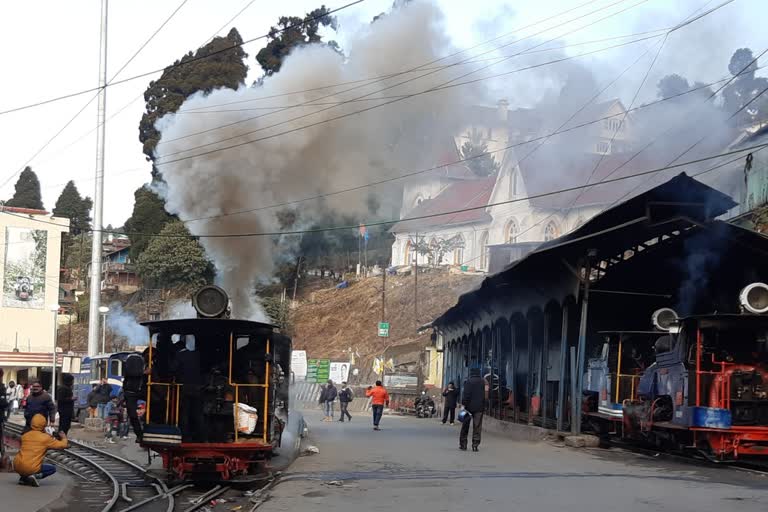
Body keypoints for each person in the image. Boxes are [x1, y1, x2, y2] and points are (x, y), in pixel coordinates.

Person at [14, 413, 68, 487]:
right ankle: (33, 476)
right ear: (44, 424)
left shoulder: (25, 435)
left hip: (17, 465)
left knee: (26, 465)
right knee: (52, 469)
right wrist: (64, 438)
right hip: (30, 467)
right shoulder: (45, 438)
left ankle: (23, 478)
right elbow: (63, 445)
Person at [460, 368, 488, 452]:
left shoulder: (468, 381)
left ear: (471, 373)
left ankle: (463, 444)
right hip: (479, 407)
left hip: (468, 408)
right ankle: (475, 445)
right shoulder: (484, 382)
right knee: (477, 426)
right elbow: (486, 395)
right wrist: (485, 405)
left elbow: (466, 394)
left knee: (465, 425)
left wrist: (464, 404)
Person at [122, 351, 145, 441]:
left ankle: (139, 434)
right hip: (139, 390)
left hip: (130, 391)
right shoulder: (142, 370)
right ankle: (141, 432)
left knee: (132, 415)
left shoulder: (129, 363)